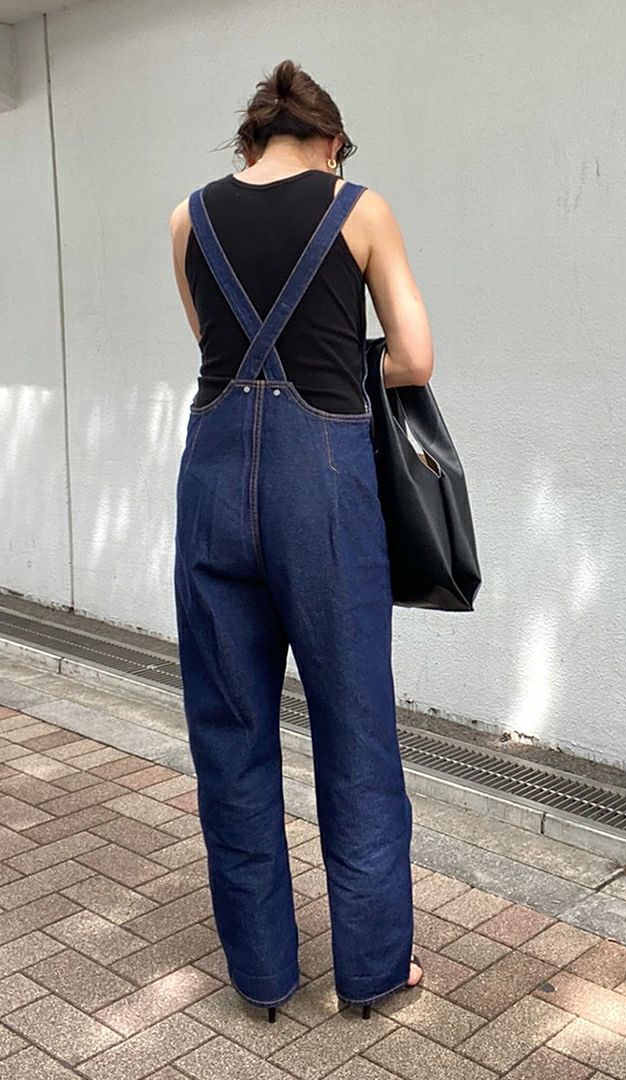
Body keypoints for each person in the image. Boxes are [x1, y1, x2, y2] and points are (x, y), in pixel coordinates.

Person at [167, 58, 430, 1023]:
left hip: (212, 479)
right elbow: (414, 358)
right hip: (320, 488)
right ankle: (373, 969)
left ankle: (263, 976)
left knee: (230, 730)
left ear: (250, 143)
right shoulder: (359, 209)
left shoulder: (189, 217)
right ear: (331, 143)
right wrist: (337, 365)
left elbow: (211, 344)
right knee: (353, 726)